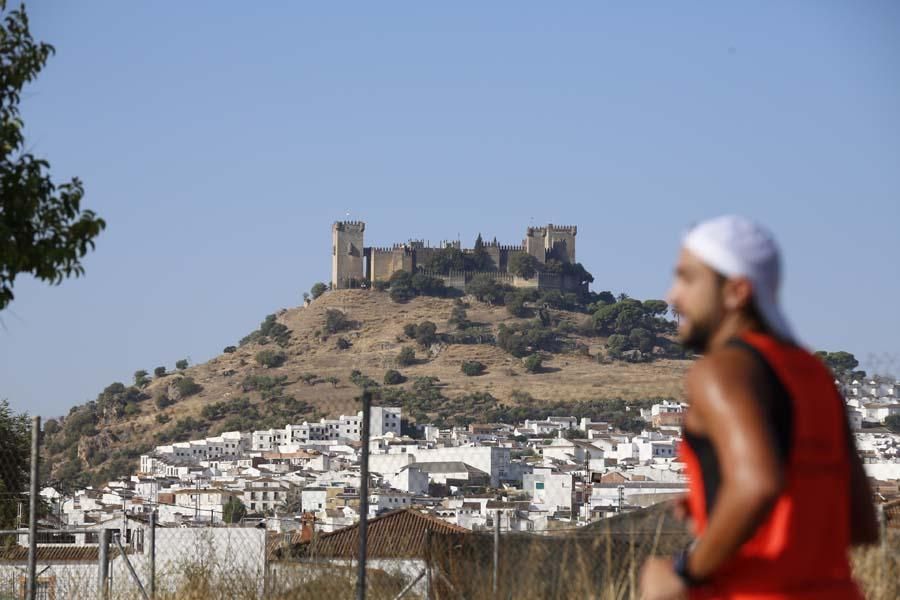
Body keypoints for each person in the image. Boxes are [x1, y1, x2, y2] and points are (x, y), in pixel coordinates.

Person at [639, 216, 878, 600]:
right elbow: (862, 523)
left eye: (687, 279)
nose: (672, 296)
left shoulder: (721, 371)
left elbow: (757, 484)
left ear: (735, 291)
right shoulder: (813, 373)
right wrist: (717, 498)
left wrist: (685, 573)